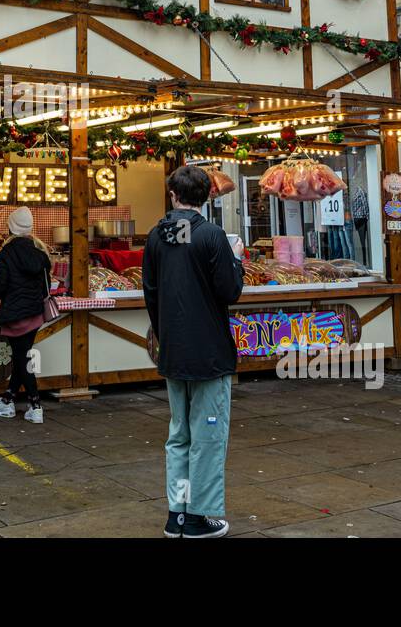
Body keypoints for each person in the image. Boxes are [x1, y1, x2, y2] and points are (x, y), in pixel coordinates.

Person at [142, 165, 245, 539]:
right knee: (208, 435)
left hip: (174, 350)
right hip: (209, 351)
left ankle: (178, 514)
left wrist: (165, 332)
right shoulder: (213, 236)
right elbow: (230, 292)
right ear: (209, 196)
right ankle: (200, 515)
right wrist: (236, 260)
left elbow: (150, 292)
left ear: (173, 195)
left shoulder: (156, 236)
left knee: (179, 435)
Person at [0, 207, 52, 424]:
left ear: (10, 227)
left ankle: (35, 405)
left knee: (22, 359)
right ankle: (8, 400)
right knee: (21, 357)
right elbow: (46, 286)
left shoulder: (6, 253)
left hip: (14, 314)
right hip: (34, 314)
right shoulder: (41, 253)